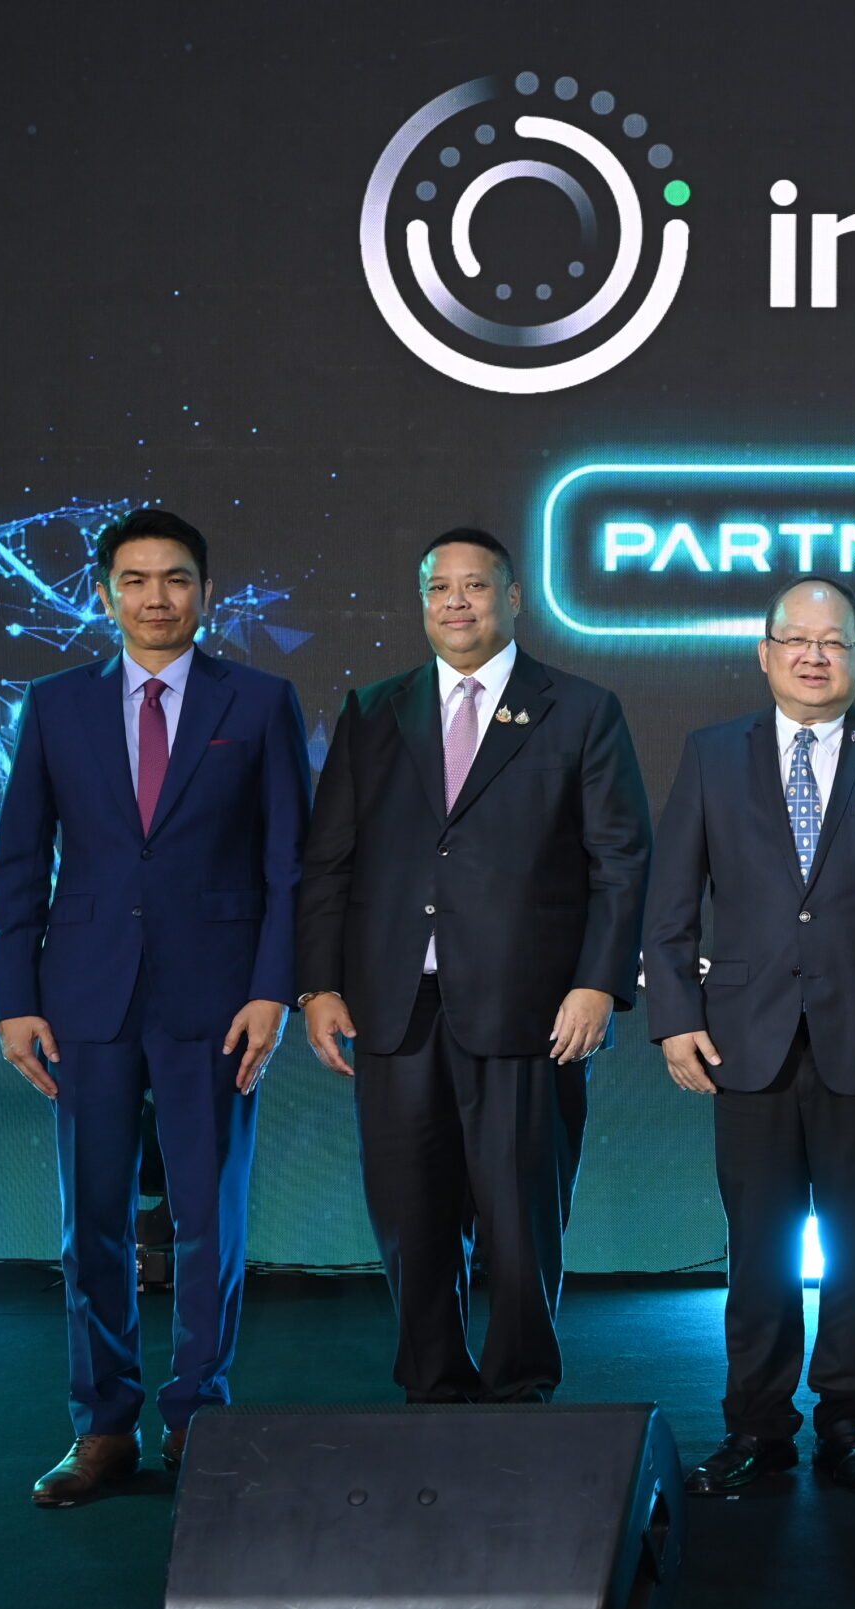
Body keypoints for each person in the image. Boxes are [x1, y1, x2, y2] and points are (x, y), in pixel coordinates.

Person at [0, 508, 311, 1506]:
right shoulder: (55, 705)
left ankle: (198, 1417)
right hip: (82, 995)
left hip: (217, 996)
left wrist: (273, 989)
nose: (156, 597)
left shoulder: (260, 700)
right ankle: (103, 1427)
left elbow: (288, 867)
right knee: (91, 1221)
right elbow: (19, 860)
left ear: (206, 593)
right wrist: (12, 998)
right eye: (134, 579)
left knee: (210, 1217)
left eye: (176, 578)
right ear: (103, 595)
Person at [296, 528, 650, 1404]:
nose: (457, 602)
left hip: (529, 1008)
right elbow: (329, 859)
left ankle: (520, 1386)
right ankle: (434, 1386)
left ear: (513, 598)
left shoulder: (580, 709)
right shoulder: (374, 709)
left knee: (522, 1217)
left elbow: (620, 859)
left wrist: (597, 981)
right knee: (409, 1215)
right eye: (439, 587)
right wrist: (319, 984)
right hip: (394, 1007)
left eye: (476, 585)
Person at [643, 576, 855, 1496]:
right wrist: (675, 1017)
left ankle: (848, 1419)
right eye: (796, 640)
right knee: (758, 1244)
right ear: (765, 652)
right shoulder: (712, 754)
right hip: (743, 1038)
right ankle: (756, 1423)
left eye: (834, 642)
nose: (814, 656)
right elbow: (670, 905)